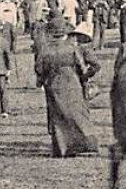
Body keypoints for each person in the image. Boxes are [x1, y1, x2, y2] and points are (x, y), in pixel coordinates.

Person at [33, 16, 100, 157]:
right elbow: (82, 68)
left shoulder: (44, 49)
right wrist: (85, 77)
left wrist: (42, 80)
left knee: (57, 116)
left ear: (51, 33)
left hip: (52, 83)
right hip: (72, 82)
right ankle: (84, 143)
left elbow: (39, 68)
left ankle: (60, 149)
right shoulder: (72, 48)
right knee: (76, 113)